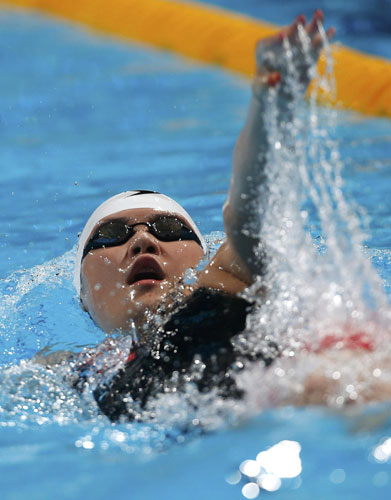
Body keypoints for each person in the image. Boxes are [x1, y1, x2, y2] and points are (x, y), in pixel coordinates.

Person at [39, 11, 390, 420]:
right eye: (110, 236)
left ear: (203, 260)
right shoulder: (70, 377)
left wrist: (270, 102)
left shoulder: (224, 293)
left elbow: (249, 211)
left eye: (170, 229)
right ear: (81, 294)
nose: (142, 242)